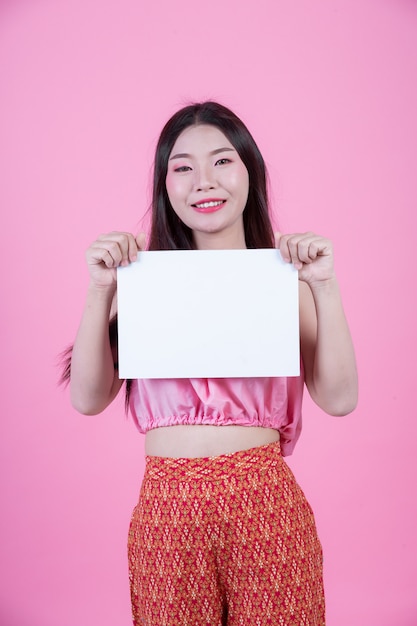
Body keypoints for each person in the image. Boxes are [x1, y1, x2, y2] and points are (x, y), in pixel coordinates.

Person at [63, 101, 358, 626]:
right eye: (183, 167)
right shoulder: (136, 281)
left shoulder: (287, 280)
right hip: (167, 503)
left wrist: (325, 286)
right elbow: (87, 399)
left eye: (222, 161)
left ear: (251, 171)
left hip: (263, 498)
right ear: (164, 183)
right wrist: (101, 289)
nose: (204, 181)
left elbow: (339, 399)